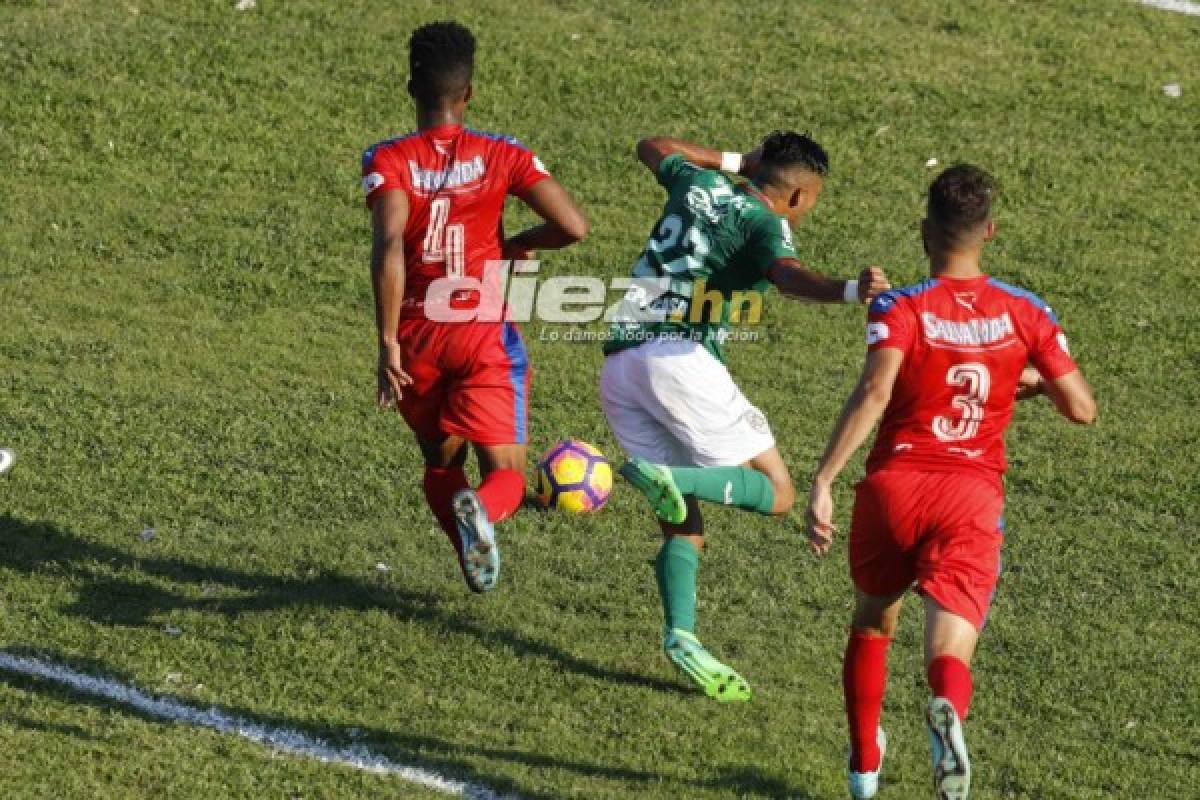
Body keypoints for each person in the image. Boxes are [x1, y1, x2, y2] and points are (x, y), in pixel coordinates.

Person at [804, 164, 1096, 799]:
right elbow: (1082, 407)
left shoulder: (900, 306)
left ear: (924, 232)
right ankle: (946, 707)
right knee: (950, 645)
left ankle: (863, 768)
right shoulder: (1027, 312)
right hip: (969, 494)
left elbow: (875, 391)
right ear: (987, 232)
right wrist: (1030, 380)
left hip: (895, 488)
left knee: (875, 621)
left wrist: (824, 477)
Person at [600, 131, 890, 701]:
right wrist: (851, 290)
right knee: (777, 490)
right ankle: (669, 480)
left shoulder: (699, 181)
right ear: (800, 197)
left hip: (620, 365)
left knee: (683, 522)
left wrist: (739, 161)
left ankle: (682, 635)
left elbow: (652, 145)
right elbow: (785, 276)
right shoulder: (768, 224)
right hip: (680, 358)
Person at [362, 21, 588, 593]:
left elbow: (389, 247)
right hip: (481, 332)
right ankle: (483, 512)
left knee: (441, 463)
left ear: (410, 88)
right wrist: (516, 247)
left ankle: (471, 548)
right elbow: (572, 226)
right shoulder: (503, 154)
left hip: (416, 336)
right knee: (507, 474)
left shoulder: (387, 160)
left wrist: (388, 341)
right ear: (469, 94)